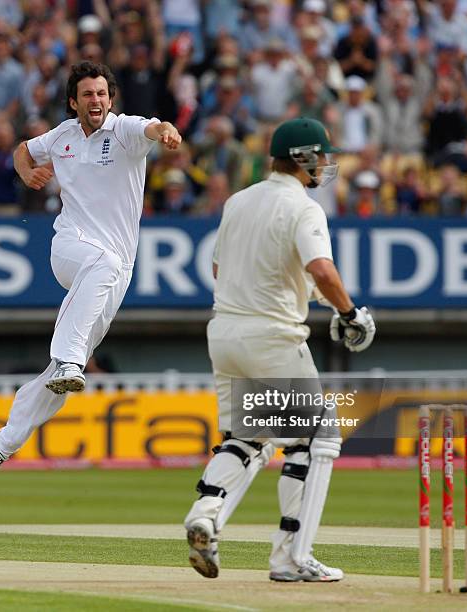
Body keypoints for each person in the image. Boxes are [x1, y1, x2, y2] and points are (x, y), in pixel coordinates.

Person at [183, 117, 375, 582]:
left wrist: (298, 292)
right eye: (323, 156)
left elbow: (219, 269)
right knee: (319, 439)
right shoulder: (304, 208)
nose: (327, 164)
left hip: (225, 334)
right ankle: (291, 558)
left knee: (246, 439)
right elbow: (323, 270)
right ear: (304, 158)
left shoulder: (237, 201)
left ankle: (205, 514)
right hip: (273, 337)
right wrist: (350, 313)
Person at [0, 61, 181, 479]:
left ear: (111, 99)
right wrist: (27, 171)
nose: (96, 100)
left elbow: (152, 128)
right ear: (73, 102)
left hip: (114, 271)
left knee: (59, 378)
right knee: (75, 345)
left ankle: (3, 445)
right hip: (70, 247)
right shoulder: (62, 135)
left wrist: (166, 131)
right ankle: (68, 360)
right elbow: (23, 150)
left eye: (101, 93)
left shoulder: (123, 130)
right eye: (87, 94)